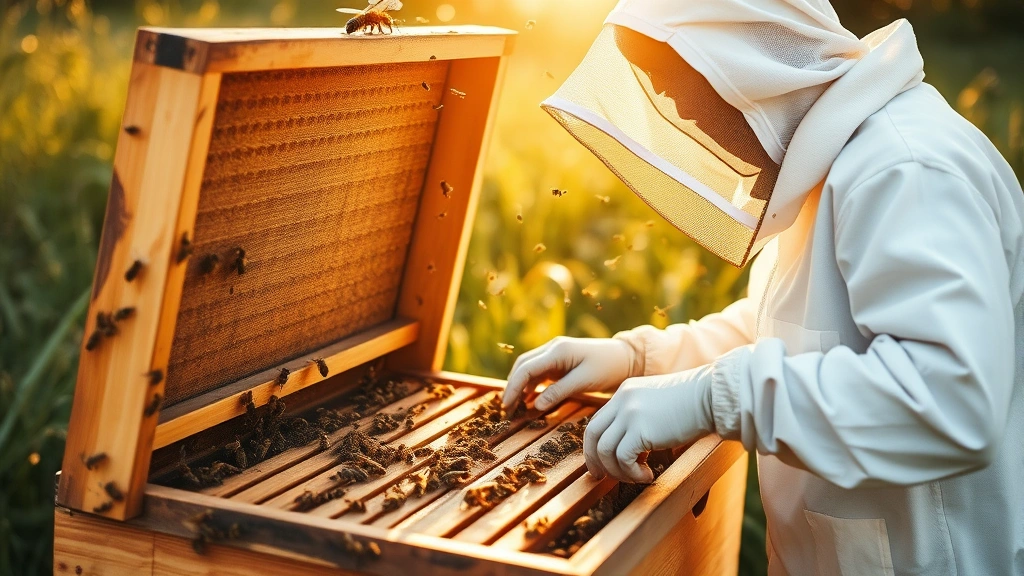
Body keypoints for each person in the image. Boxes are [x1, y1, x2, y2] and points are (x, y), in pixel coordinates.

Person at [501, 0, 1024, 574]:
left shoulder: (906, 168)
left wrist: (711, 396)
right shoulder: (835, 155)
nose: (678, 112)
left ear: (738, 62)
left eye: (674, 83)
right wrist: (639, 357)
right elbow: (786, 332)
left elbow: (949, 399)